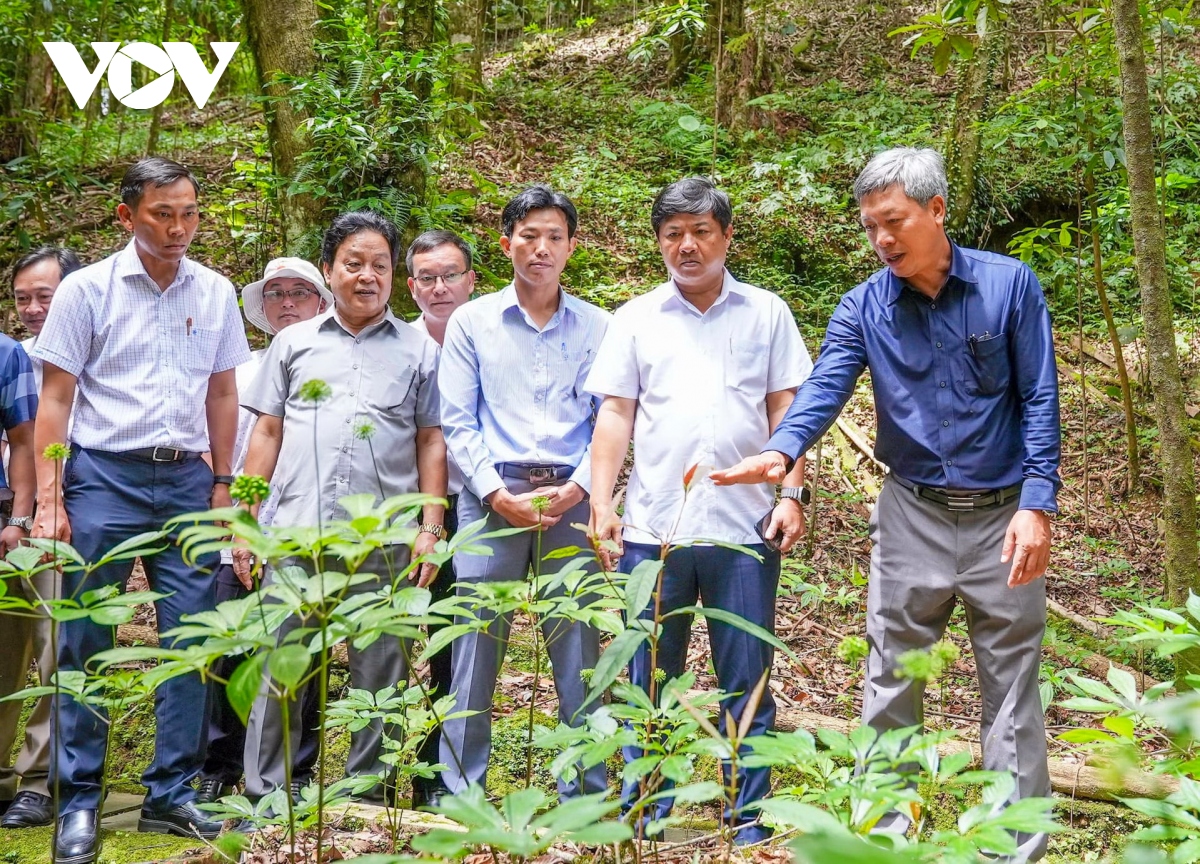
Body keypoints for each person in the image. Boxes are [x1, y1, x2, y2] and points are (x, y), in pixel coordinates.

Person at [712, 147, 1059, 862]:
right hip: (911, 514)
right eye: (871, 227)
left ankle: (1014, 851)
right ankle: (883, 846)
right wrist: (782, 450)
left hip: (1003, 515)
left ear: (936, 211)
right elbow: (824, 387)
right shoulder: (864, 305)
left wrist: (1037, 503)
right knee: (891, 680)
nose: (883, 239)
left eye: (894, 221)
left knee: (1014, 693)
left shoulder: (1009, 287)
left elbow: (1041, 399)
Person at [31, 156, 251, 863]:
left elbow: (223, 393)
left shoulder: (215, 291)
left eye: (189, 212)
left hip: (187, 479)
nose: (179, 227)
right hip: (103, 475)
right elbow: (57, 400)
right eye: (163, 213)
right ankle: (80, 800)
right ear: (127, 216)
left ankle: (170, 794)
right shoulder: (86, 291)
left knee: (190, 640)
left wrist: (224, 486)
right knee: (86, 638)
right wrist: (49, 500)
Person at [586, 177, 811, 843]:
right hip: (655, 532)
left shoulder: (766, 313)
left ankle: (746, 823)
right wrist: (602, 503)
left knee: (747, 680)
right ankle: (643, 820)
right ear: (659, 243)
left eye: (700, 232)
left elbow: (787, 412)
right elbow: (615, 415)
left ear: (726, 236)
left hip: (746, 529)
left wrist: (793, 494)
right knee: (647, 680)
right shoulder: (635, 318)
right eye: (672, 235)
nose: (687, 246)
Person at [235, 211, 446, 807]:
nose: (367, 276)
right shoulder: (292, 343)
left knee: (378, 679)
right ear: (329, 271)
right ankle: (265, 802)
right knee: (281, 673)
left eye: (380, 265)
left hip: (384, 544)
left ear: (394, 277)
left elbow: (432, 439)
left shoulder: (419, 350)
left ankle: (365, 804)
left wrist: (431, 527)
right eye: (354, 263)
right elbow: (267, 434)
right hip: (297, 534)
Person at [437, 186, 610, 800]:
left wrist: (584, 485)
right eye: (529, 236)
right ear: (506, 242)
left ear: (571, 246)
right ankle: (463, 795)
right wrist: (491, 493)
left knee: (578, 648)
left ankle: (584, 798)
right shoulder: (472, 321)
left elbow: (609, 420)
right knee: (475, 648)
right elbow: (456, 420)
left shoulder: (599, 325)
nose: (541, 249)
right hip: (491, 497)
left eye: (554, 237)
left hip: (572, 495)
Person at [195, 257, 333, 805]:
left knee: (302, 653)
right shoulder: (243, 369)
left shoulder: (332, 364)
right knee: (229, 650)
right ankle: (218, 763)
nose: (287, 302)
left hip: (306, 529)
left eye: (300, 291)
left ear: (321, 300)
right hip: (244, 528)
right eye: (275, 293)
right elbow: (216, 441)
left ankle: (296, 771)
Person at [0, 246, 82, 830]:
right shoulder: (14, 356)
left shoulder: (95, 350)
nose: (31, 309)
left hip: (74, 513)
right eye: (22, 298)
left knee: (59, 650)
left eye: (43, 296)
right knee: (7, 653)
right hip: (15, 515)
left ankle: (40, 780)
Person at [404, 229, 476, 807]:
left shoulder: (490, 336)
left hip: (476, 506)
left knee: (456, 647)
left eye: (450, 274)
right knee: (396, 645)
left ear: (471, 279)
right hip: (407, 514)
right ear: (411, 286)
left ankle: (439, 774)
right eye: (427, 277)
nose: (440, 287)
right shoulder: (399, 344)